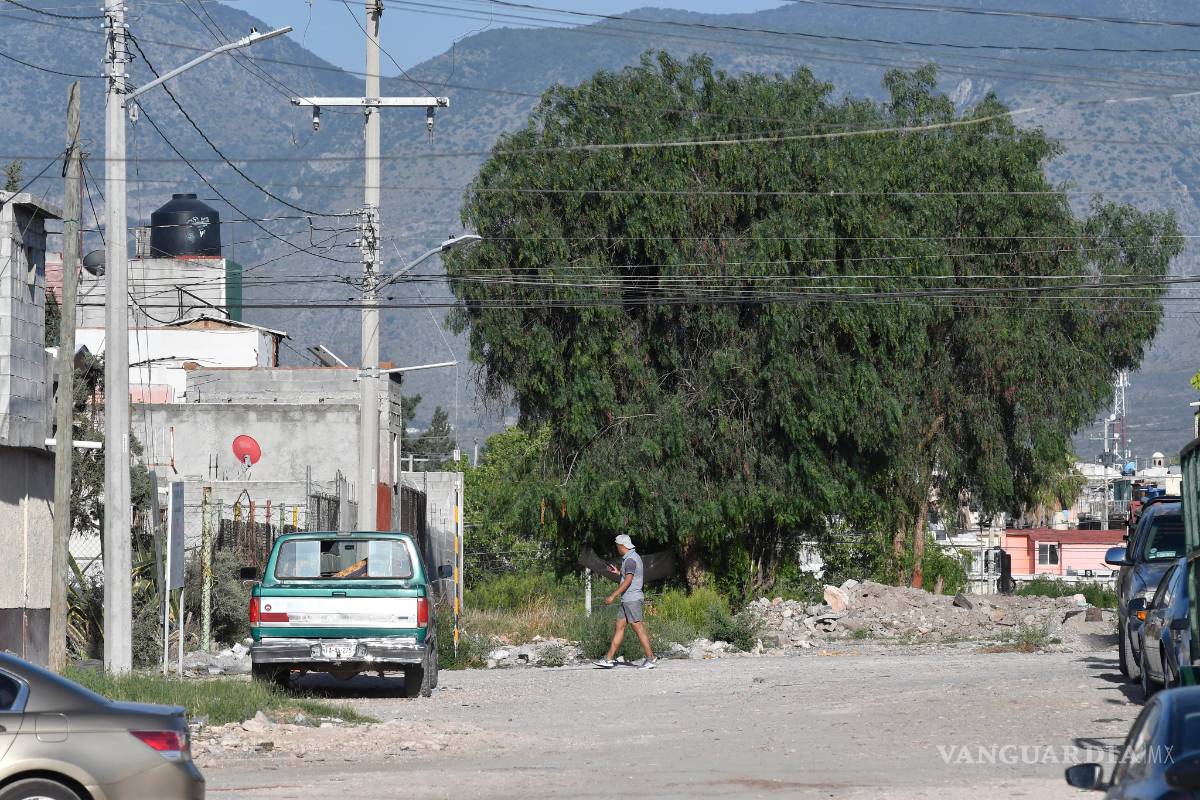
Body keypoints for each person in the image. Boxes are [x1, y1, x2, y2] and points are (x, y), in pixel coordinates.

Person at [594, 534, 657, 669]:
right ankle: (608, 659)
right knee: (619, 626)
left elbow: (628, 581)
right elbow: (628, 576)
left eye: (617, 546)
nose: (617, 548)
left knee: (638, 628)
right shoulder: (632, 558)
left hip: (632, 599)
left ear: (622, 546)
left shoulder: (630, 560)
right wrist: (618, 572)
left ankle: (650, 658)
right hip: (627, 600)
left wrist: (613, 596)